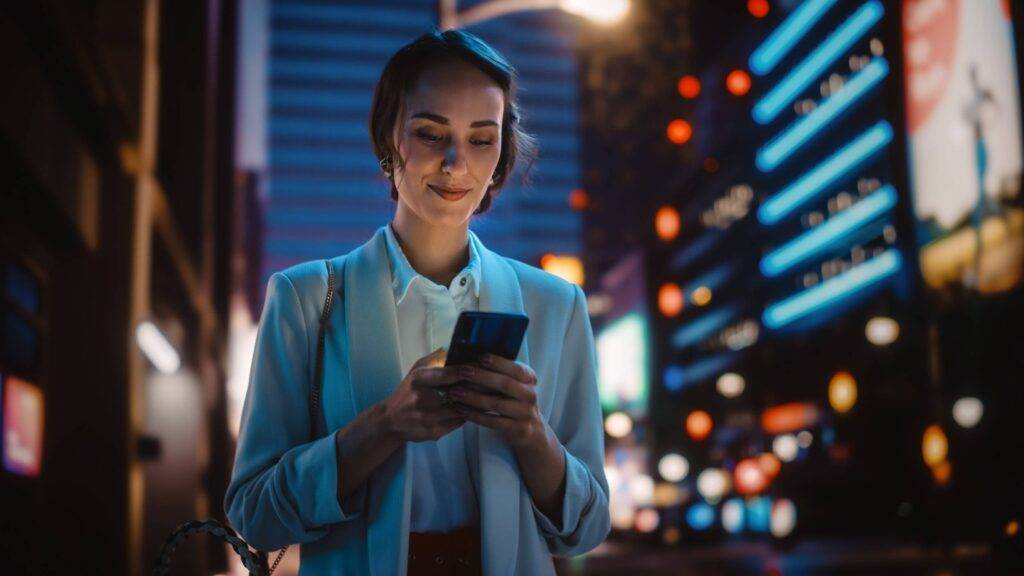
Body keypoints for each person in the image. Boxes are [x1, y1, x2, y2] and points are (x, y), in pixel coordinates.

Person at [224, 29, 609, 576]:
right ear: (388, 138)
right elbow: (255, 515)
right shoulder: (306, 298)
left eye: (482, 139)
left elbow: (586, 528)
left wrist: (531, 433)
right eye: (430, 133)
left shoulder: (556, 305)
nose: (456, 163)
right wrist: (383, 425)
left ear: (502, 156)